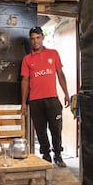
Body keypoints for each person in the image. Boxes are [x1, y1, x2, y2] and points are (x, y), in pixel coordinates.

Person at [20, 26, 70, 167]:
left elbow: (60, 74)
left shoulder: (53, 54)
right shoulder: (27, 59)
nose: (35, 41)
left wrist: (66, 94)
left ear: (42, 38)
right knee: (41, 130)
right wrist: (24, 103)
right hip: (35, 101)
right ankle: (46, 155)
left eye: (37, 38)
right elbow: (25, 81)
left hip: (52, 99)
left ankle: (58, 155)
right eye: (32, 39)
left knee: (56, 129)